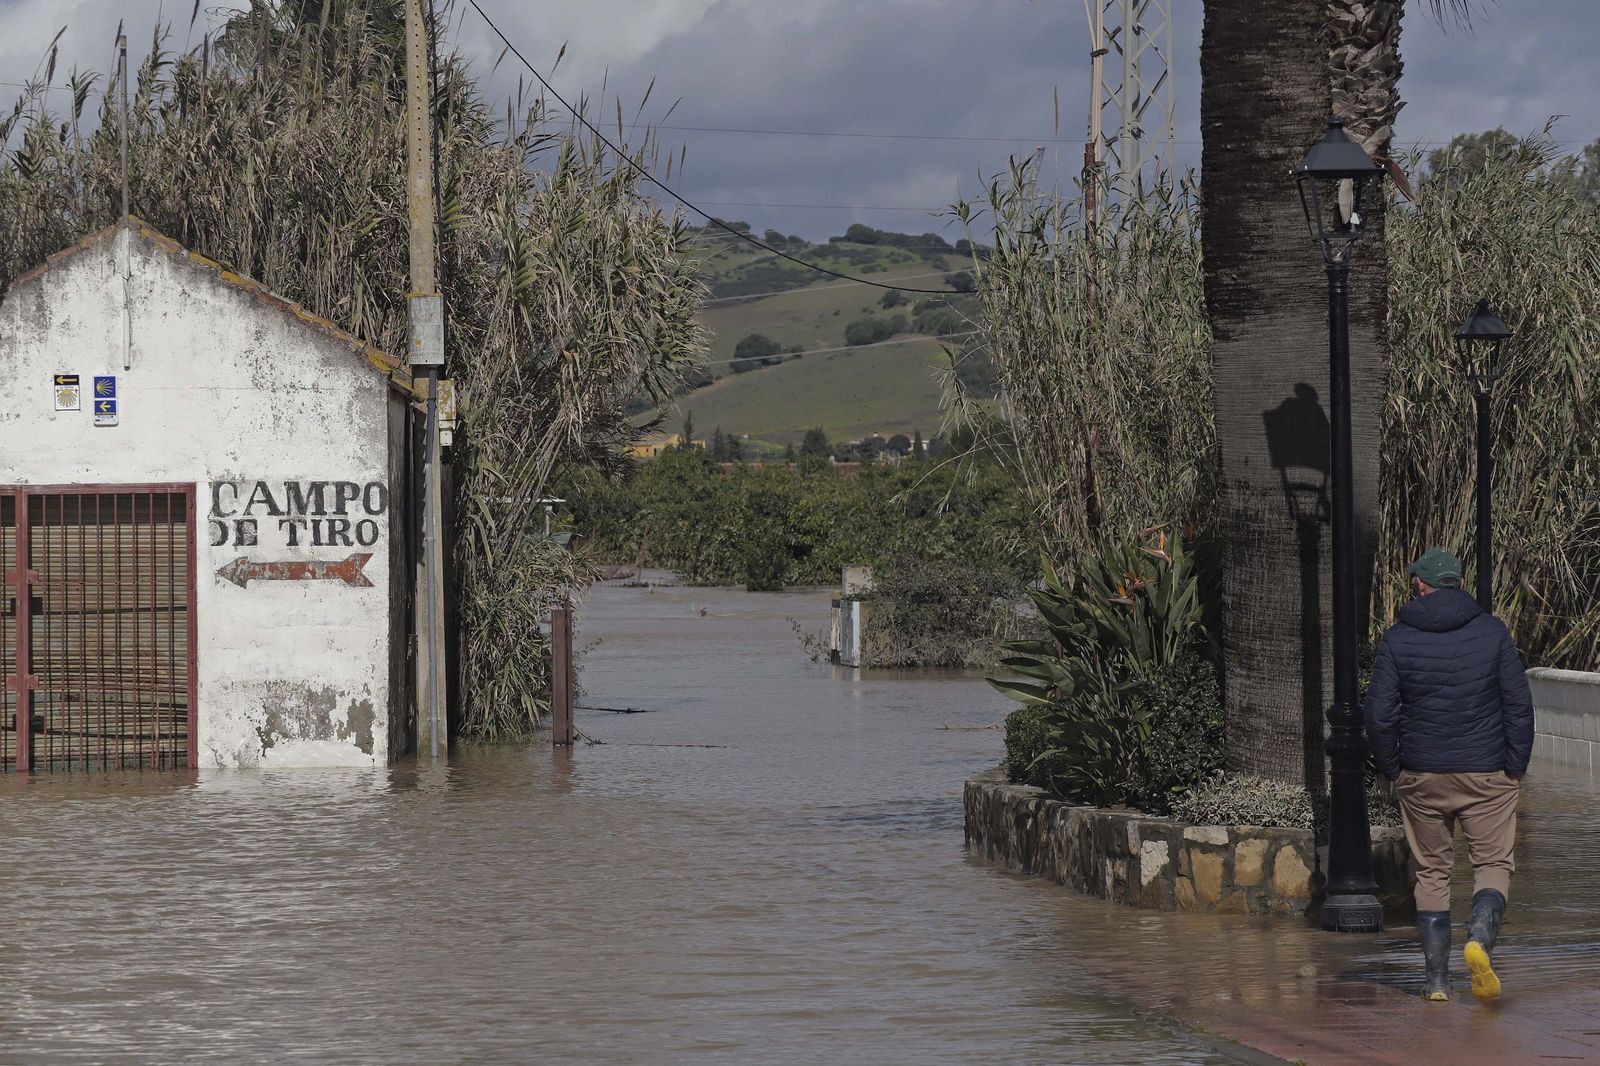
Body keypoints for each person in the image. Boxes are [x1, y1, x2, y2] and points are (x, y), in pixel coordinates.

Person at [1364, 548, 1534, 1004]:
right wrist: (1515, 767)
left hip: (1422, 774)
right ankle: (1478, 937)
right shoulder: (1493, 632)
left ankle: (1437, 981)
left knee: (1432, 872)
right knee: (1493, 865)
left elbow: (1378, 714)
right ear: (1457, 583)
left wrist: (1393, 769)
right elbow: (1518, 705)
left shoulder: (1398, 638)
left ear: (1420, 585)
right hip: (1486, 773)